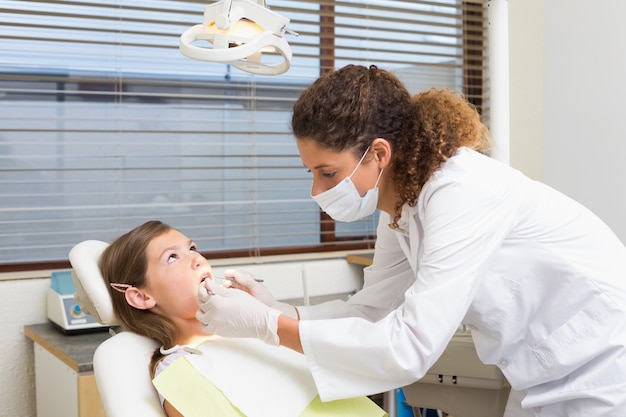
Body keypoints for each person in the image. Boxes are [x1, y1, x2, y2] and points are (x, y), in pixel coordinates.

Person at [196, 64, 626, 417]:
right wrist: (277, 309)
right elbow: (373, 310)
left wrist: (267, 327)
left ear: (379, 154)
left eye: (327, 172)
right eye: (311, 173)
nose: (316, 192)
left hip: (604, 367)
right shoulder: (402, 204)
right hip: (543, 374)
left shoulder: (462, 191)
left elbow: (410, 347)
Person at [99, 220, 386, 417]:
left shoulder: (251, 331)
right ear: (141, 297)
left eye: (192, 248)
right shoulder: (178, 370)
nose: (196, 259)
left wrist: (271, 312)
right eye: (172, 258)